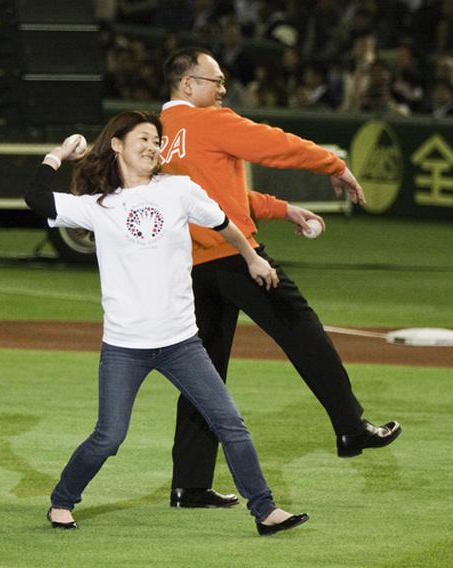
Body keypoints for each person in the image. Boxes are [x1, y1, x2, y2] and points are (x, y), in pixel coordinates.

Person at [25, 111, 308, 536]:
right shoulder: (99, 206)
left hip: (181, 343)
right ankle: (62, 501)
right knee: (109, 437)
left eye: (157, 140)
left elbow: (226, 224)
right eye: (142, 138)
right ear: (117, 144)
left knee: (230, 424)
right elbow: (36, 198)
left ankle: (265, 510)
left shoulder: (179, 190)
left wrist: (252, 257)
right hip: (125, 346)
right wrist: (58, 155)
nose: (152, 146)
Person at [160, 47, 401, 509]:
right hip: (235, 256)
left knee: (202, 372)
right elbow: (276, 144)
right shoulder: (212, 120)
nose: (223, 90)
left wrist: (282, 208)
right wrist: (334, 164)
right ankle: (351, 427)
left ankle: (189, 485)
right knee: (303, 329)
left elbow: (216, 196)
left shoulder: (157, 134)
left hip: (185, 269)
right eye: (215, 81)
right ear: (187, 84)